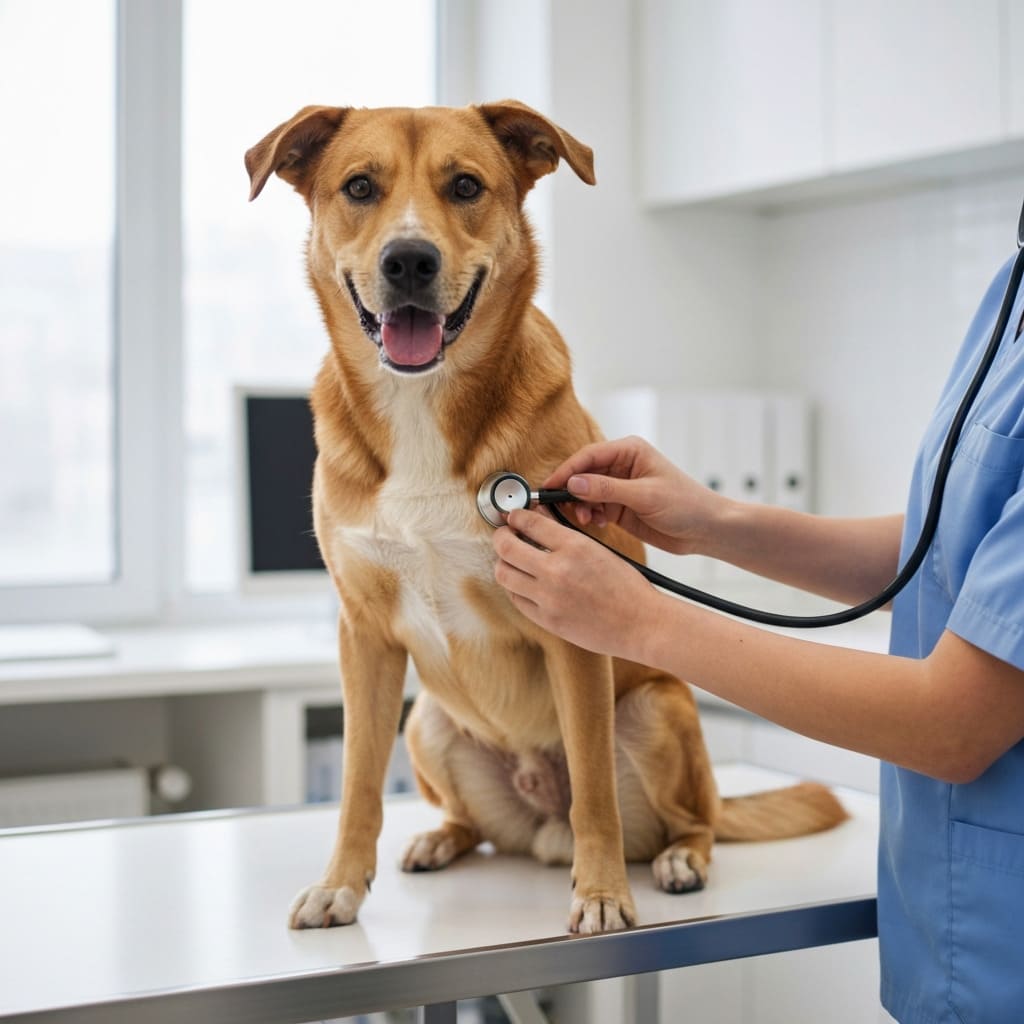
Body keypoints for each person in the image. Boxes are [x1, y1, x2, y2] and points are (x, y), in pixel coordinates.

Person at [492, 253, 1024, 1024]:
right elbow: (956, 550)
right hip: (955, 945)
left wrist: (640, 619)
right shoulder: (1010, 291)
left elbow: (956, 723)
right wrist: (716, 523)